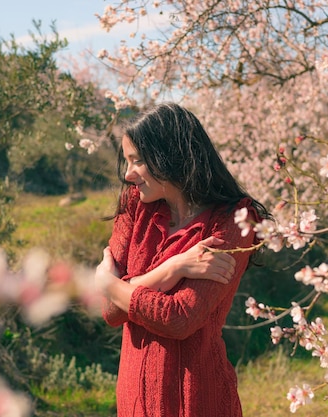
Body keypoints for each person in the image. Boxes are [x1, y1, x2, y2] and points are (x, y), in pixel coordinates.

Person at [95, 102, 269, 417]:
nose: (128, 174)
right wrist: (173, 268)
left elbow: (179, 319)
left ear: (169, 157)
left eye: (138, 161)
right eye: (127, 161)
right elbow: (109, 310)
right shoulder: (136, 204)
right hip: (134, 400)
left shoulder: (235, 219)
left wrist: (110, 284)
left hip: (196, 400)